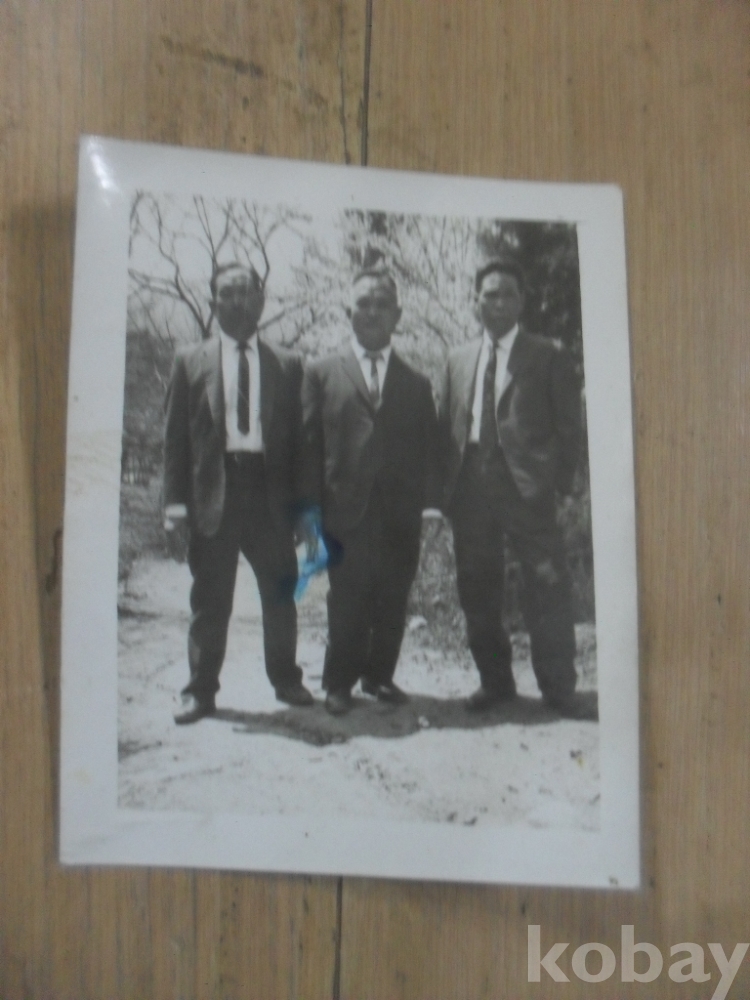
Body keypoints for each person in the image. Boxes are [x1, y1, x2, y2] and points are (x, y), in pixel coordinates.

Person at [163, 262, 314, 724]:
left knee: (280, 593)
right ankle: (199, 690)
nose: (237, 302)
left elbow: (302, 443)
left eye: (245, 292)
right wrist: (175, 505)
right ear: (212, 303)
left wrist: (304, 510)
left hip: (270, 495)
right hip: (214, 494)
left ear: (261, 301)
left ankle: (286, 679)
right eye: (226, 294)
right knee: (211, 599)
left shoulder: (288, 364)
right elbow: (175, 439)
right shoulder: (190, 360)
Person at [438, 256, 583, 715]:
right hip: (470, 487)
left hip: (528, 487)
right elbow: (446, 427)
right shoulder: (457, 359)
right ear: (475, 301)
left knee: (547, 586)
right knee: (477, 589)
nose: (498, 303)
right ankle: (495, 682)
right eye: (489, 294)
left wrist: (564, 489)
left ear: (522, 301)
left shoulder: (547, 354)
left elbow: (570, 428)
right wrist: (442, 494)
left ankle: (558, 688)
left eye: (507, 294)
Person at [301, 265, 437, 716]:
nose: (373, 312)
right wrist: (309, 512)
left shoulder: (416, 383)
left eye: (383, 304)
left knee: (393, 595)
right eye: (363, 303)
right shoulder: (321, 372)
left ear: (398, 315)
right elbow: (308, 446)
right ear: (348, 312)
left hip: (399, 514)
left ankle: (379, 676)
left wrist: (428, 506)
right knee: (348, 598)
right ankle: (338, 681)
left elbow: (427, 449)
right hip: (344, 510)